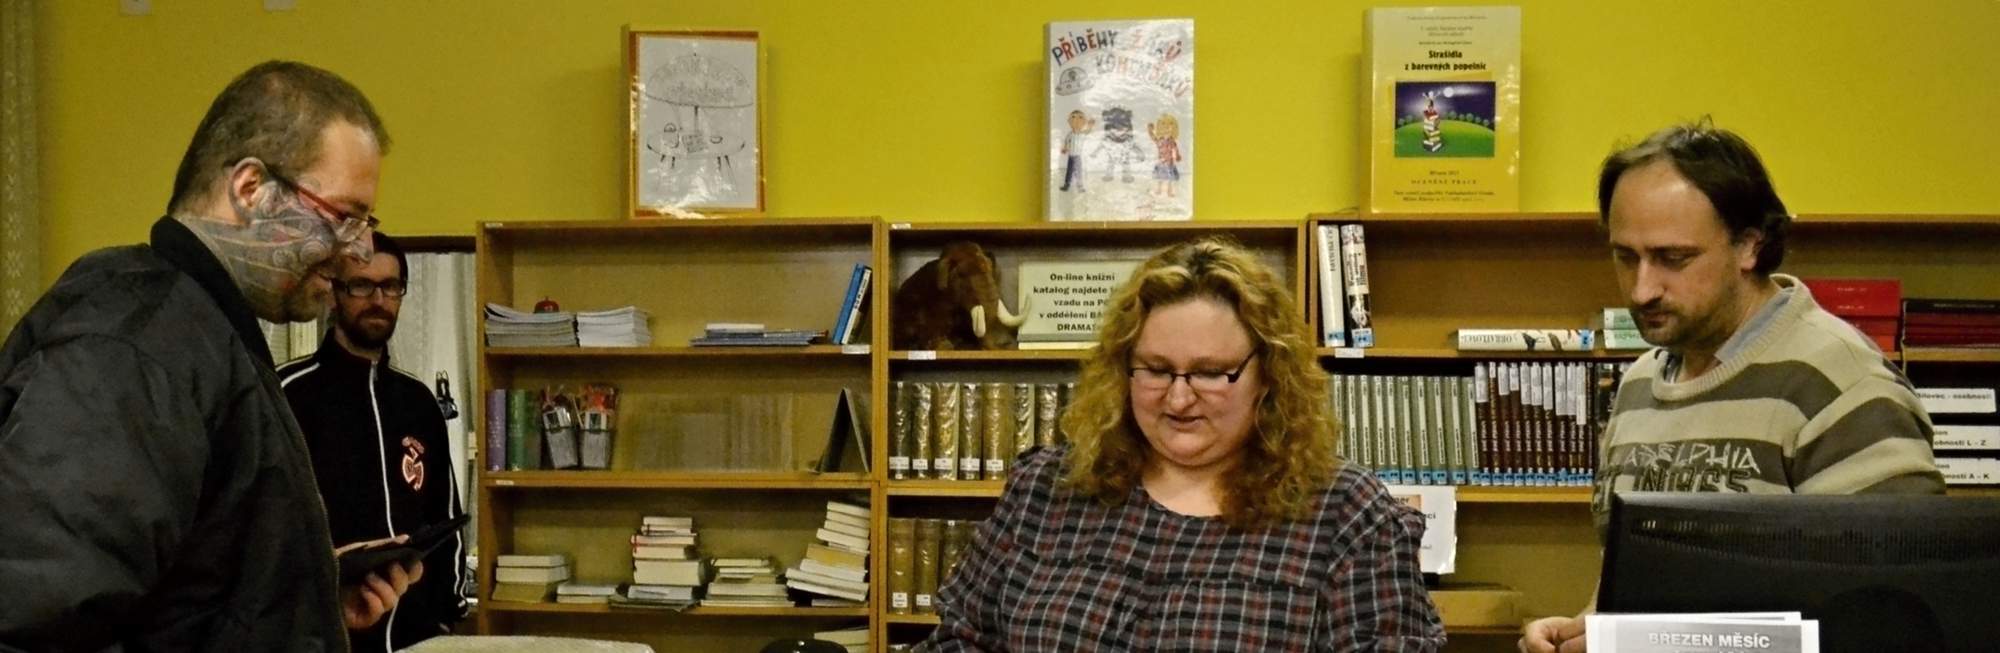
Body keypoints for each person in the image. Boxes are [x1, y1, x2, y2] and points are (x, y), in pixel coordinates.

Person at [0, 60, 420, 650]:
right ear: (250, 189)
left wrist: (303, 604)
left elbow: (183, 600)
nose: (358, 249)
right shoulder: (135, 345)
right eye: (343, 217)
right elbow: (36, 621)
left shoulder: (206, 333)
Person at [1520, 120, 1944, 653]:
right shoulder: (1640, 382)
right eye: (1625, 257)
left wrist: (1649, 643)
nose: (1642, 289)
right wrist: (1586, 628)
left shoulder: (1843, 382)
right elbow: (1634, 588)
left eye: (1673, 259)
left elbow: (1893, 619)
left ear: (1749, 245)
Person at [919, 238, 1445, 651]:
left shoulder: (1347, 517)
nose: (1177, 398)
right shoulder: (1045, 488)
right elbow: (960, 639)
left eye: (1211, 373)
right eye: (1155, 369)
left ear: (1269, 376)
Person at [279, 232, 468, 652]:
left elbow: (444, 511)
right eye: (362, 285)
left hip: (416, 634)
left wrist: (446, 613)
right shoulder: (285, 395)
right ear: (334, 293)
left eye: (390, 286)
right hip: (325, 634)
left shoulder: (418, 401)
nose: (378, 300)